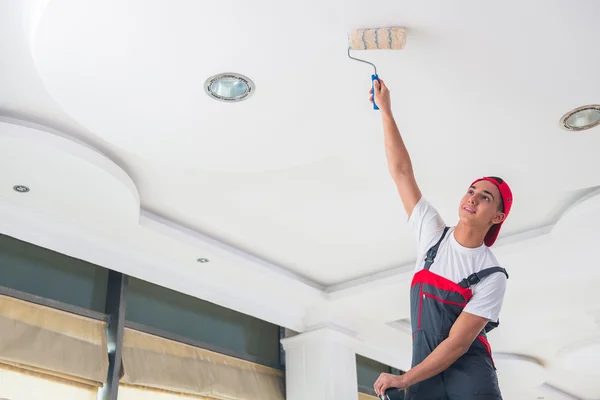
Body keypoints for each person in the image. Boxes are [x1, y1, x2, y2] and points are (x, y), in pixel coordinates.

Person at [370, 79, 513, 399]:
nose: (473, 198)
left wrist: (405, 380)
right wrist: (387, 113)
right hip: (425, 370)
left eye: (486, 197)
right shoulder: (432, 235)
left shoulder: (492, 276)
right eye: (472, 190)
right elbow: (401, 172)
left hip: (469, 375)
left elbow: (458, 344)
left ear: (497, 217)